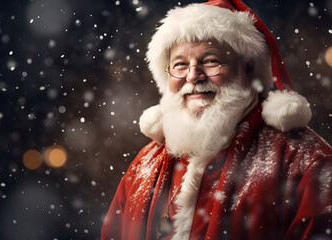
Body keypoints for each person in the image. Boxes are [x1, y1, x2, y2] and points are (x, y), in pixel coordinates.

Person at [101, 0, 332, 239]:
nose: (193, 76)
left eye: (211, 61)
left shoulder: (305, 162)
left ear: (248, 69)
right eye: (180, 65)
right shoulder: (145, 164)